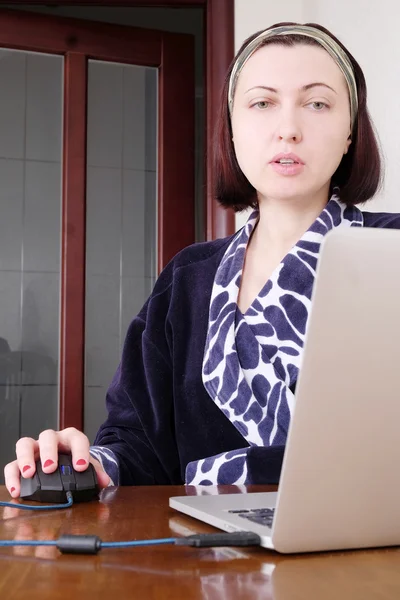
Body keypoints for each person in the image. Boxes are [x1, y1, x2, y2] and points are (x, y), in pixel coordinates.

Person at [5, 22, 400, 496]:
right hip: (206, 556)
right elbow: (139, 446)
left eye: (317, 103)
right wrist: (84, 462)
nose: (288, 129)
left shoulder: (391, 249)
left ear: (351, 132)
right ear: (232, 130)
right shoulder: (188, 278)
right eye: (262, 103)